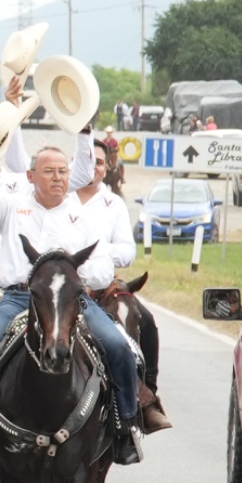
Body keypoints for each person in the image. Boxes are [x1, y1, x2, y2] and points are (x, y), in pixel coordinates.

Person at [0, 127, 147, 466]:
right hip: (18, 300)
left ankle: (126, 428)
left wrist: (70, 280)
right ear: (31, 176)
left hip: (74, 302)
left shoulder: (85, 217)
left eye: (62, 171)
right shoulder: (10, 208)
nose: (58, 177)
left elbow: (103, 266)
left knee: (120, 348)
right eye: (49, 171)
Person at [76, 139, 170, 432]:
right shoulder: (61, 197)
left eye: (98, 162)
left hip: (103, 284)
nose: (92, 167)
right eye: (86, 160)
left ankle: (145, 398)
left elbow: (128, 252)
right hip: (64, 283)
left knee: (145, 319)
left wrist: (97, 251)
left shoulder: (113, 204)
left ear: (107, 168)